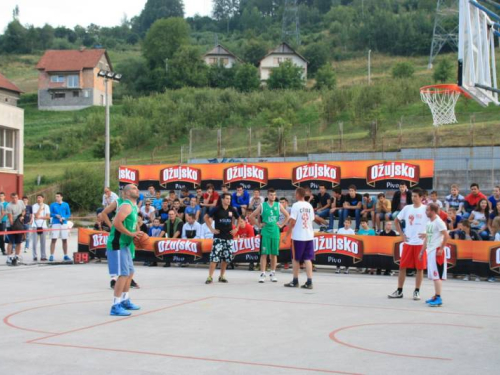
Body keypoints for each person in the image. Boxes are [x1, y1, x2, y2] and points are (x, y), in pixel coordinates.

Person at [106, 184, 143, 317]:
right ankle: (115, 306)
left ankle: (125, 300)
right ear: (126, 193)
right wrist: (131, 234)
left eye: (137, 188)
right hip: (118, 243)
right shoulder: (126, 205)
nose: (136, 190)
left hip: (126, 243)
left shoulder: (134, 206)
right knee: (122, 274)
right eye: (133, 189)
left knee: (130, 272)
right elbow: (116, 223)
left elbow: (133, 224)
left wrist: (138, 233)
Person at [388, 187, 429, 301]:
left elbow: (435, 222)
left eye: (416, 196)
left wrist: (427, 234)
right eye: (412, 196)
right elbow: (396, 220)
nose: (413, 198)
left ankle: (416, 291)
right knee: (402, 267)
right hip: (409, 242)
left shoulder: (426, 209)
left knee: (420, 269)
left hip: (420, 243)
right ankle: (399, 291)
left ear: (421, 197)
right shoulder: (407, 208)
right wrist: (401, 234)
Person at [250, 188, 290, 283]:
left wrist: (281, 224)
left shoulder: (278, 205)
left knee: (274, 254)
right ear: (268, 195)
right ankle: (263, 273)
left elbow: (287, 215)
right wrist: (259, 225)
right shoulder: (262, 205)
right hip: (265, 231)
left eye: (274, 195)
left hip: (275, 231)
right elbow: (251, 216)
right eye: (271, 195)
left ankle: (273, 273)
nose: (273, 196)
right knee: (264, 254)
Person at [282, 187, 315, 289]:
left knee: (295, 259)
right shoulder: (309, 205)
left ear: (297, 194)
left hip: (298, 236)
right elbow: (312, 219)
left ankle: (295, 280)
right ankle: (309, 281)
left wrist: (287, 235)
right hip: (309, 235)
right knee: (307, 259)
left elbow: (292, 221)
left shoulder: (296, 206)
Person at [205, 193, 241, 284]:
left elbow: (239, 218)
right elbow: (206, 217)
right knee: (214, 258)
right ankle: (210, 277)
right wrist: (211, 229)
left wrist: (236, 228)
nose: (229, 200)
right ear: (222, 199)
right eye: (227, 198)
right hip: (218, 237)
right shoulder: (216, 209)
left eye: (229, 199)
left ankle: (222, 276)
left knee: (226, 259)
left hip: (228, 237)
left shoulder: (232, 209)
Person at [419, 203, 450, 307]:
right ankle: (436, 295)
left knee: (437, 276)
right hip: (430, 251)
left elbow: (446, 236)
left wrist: (441, 248)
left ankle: (438, 298)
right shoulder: (429, 222)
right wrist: (422, 251)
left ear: (433, 211)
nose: (426, 212)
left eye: (427, 210)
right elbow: (427, 238)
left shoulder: (439, 222)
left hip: (437, 251)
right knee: (434, 276)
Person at [49, 192, 72, 262]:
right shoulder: (52, 205)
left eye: (58, 196)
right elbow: (50, 213)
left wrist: (64, 218)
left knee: (64, 239)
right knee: (54, 239)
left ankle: (65, 255)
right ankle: (51, 255)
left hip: (64, 223)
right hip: (55, 223)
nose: (57, 198)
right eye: (56, 196)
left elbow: (68, 214)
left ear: (61, 197)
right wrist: (55, 215)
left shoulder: (66, 204)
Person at [5, 193, 26, 266]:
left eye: (16, 198)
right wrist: (13, 227)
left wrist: (22, 216)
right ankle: (9, 257)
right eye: (13, 198)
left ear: (18, 197)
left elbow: (24, 210)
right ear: (11, 198)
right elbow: (10, 218)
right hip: (11, 226)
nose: (15, 199)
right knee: (11, 242)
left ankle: (17, 256)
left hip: (19, 224)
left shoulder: (21, 202)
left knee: (19, 242)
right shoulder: (9, 206)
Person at [31, 194, 50, 261]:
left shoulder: (47, 206)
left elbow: (48, 217)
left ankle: (43, 256)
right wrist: (40, 208)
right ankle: (35, 256)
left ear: (43, 198)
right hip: (35, 225)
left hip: (43, 225)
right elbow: (36, 215)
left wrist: (41, 217)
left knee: (43, 242)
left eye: (40, 197)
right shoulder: (34, 206)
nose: (38, 199)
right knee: (34, 242)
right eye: (37, 198)